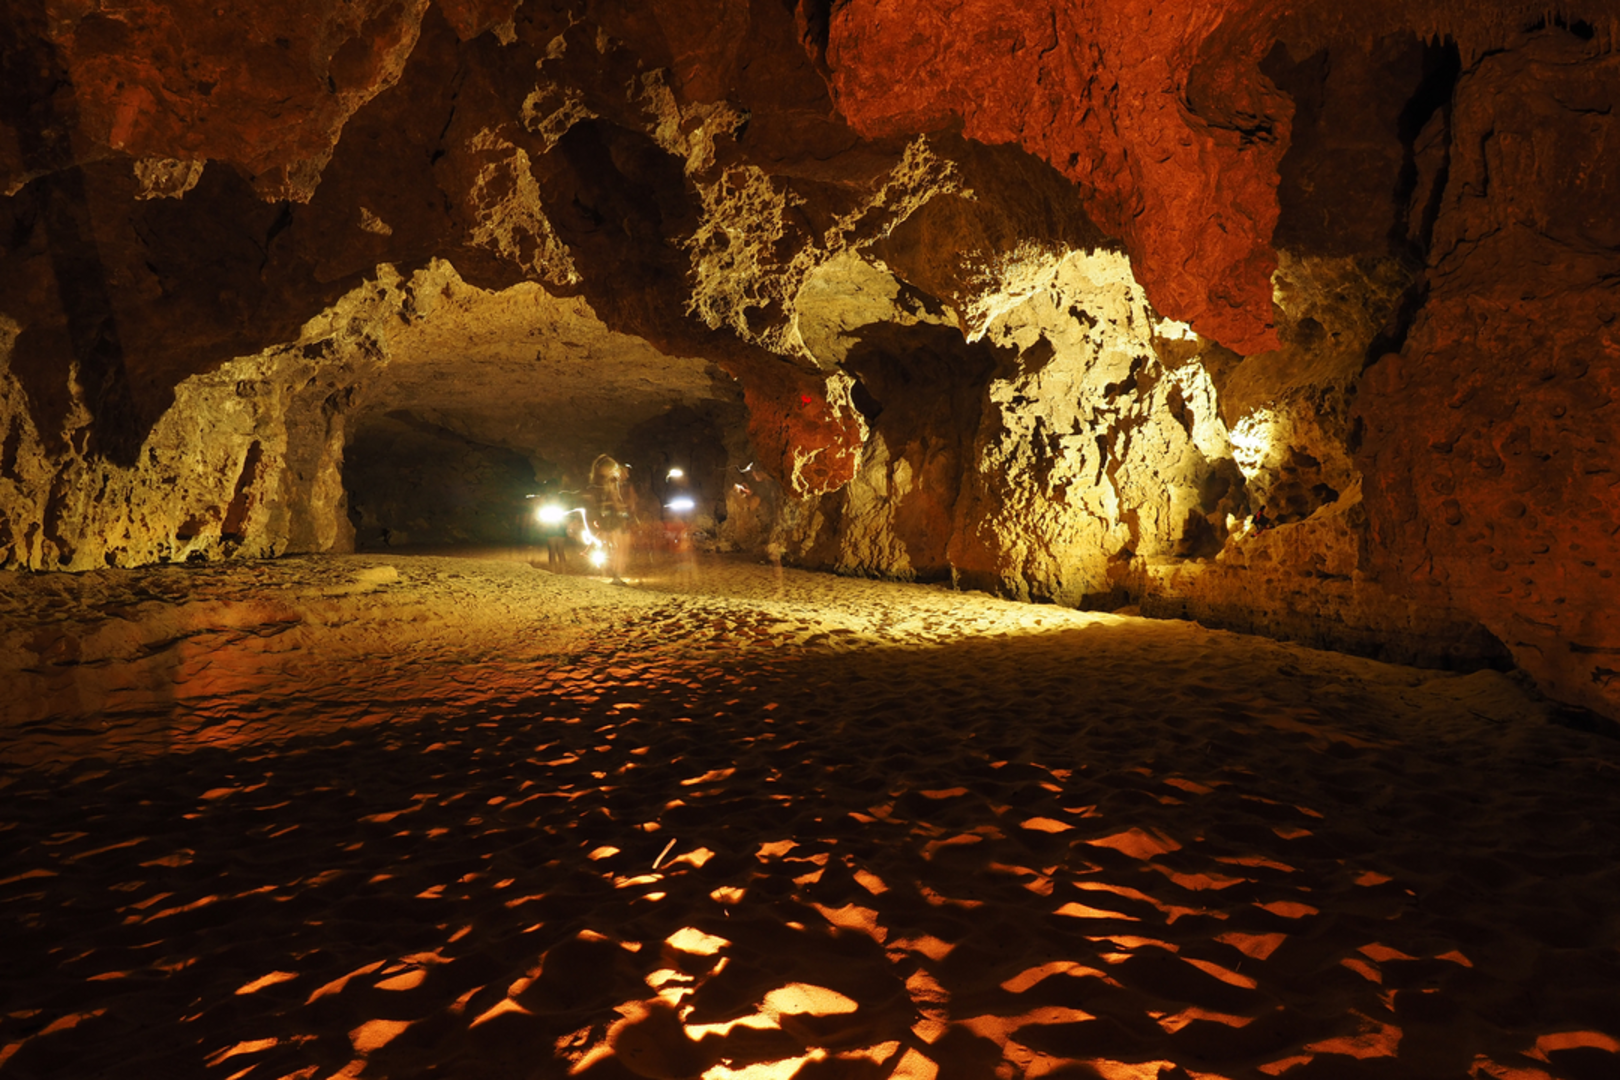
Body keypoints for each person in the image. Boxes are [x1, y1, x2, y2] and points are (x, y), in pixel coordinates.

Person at [584, 454, 632, 583]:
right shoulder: (613, 480)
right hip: (614, 515)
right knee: (620, 546)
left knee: (607, 542)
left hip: (603, 515)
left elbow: (593, 500)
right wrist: (623, 512)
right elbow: (615, 497)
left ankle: (606, 570)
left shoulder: (596, 481)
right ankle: (616, 575)